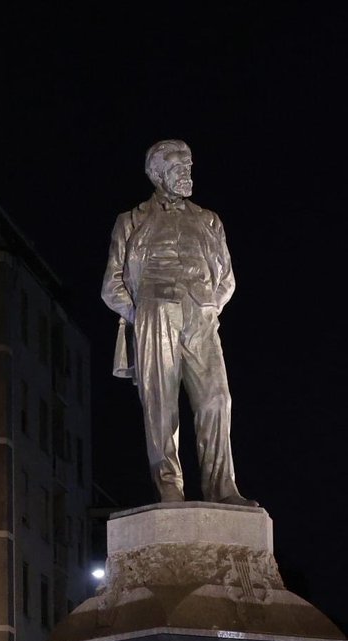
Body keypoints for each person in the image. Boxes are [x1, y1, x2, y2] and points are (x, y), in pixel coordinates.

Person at [102, 139, 256, 506]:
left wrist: (209, 307)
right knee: (160, 405)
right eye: (177, 168)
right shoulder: (132, 220)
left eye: (188, 167)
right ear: (157, 174)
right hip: (154, 314)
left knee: (217, 400)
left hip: (200, 313)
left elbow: (228, 279)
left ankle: (222, 487)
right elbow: (112, 285)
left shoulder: (208, 220)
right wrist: (143, 315)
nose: (186, 173)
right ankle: (169, 485)